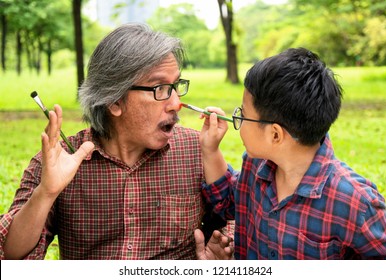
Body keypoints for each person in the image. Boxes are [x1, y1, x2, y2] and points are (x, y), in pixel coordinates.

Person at [0, 23, 231, 260]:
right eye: (160, 88)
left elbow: (236, 215)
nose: (175, 103)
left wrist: (222, 254)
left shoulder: (199, 151)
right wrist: (46, 192)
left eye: (175, 86)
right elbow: (9, 256)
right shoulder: (58, 162)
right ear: (114, 102)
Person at [196, 47, 386, 259]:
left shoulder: (355, 203)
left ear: (275, 135)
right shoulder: (256, 167)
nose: (238, 119)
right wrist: (210, 149)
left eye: (242, 113)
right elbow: (228, 202)